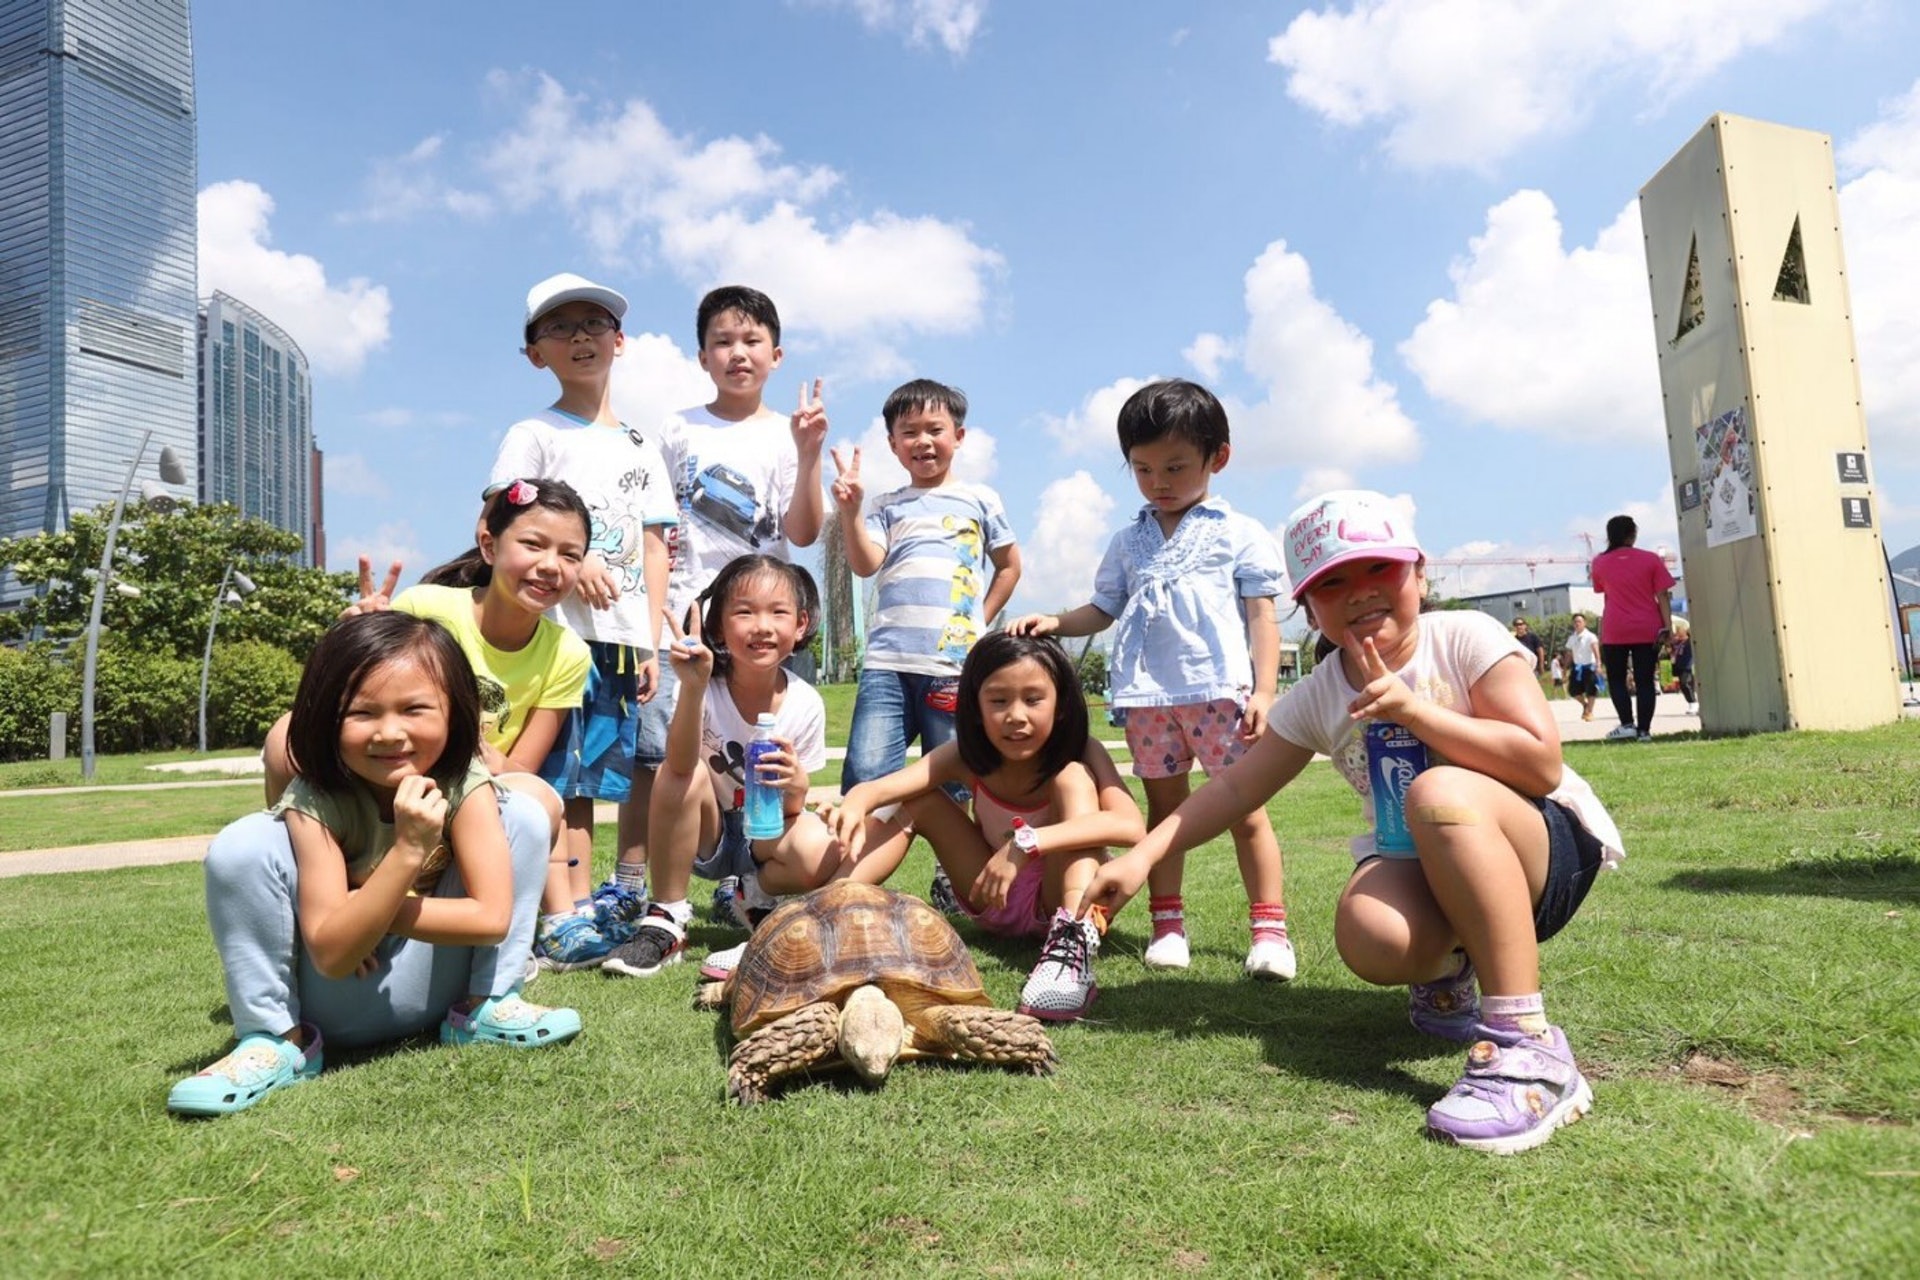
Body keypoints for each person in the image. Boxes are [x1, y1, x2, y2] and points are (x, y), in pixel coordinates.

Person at [1079, 490, 1623, 1154]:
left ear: (1418, 574)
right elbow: (1234, 788)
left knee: (1437, 791)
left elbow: (1539, 766)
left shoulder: (1466, 638)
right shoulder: (1320, 694)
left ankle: (1528, 1046)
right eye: (1332, 584)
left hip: (1546, 853)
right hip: (1438, 867)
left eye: (1378, 570)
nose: (1360, 593)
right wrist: (1139, 858)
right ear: (1309, 608)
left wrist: (1415, 713)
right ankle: (1450, 973)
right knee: (1370, 934)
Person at [169, 613, 581, 1117]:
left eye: (415, 709)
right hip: (339, 996)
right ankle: (273, 1039)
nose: (390, 733)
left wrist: (364, 903)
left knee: (522, 813)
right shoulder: (317, 798)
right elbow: (335, 954)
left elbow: (492, 919)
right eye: (362, 713)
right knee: (244, 842)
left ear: (455, 712)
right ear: (324, 716)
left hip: (439, 987)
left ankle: (489, 1004)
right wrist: (408, 850)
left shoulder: (461, 782)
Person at [1008, 379, 1293, 980]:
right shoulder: (1127, 541)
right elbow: (1103, 609)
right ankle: (1168, 925)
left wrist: (1264, 690)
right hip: (1147, 700)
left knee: (1247, 812)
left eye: (1174, 466)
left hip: (1219, 693)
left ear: (1219, 458)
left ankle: (1270, 930)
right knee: (1164, 815)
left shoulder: (1239, 533)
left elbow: (1261, 616)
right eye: (1141, 469)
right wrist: (1055, 621)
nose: (1158, 481)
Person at [263, 481, 595, 968]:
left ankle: (510, 951)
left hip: (470, 784)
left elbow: (522, 765)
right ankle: (313, 890)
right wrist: (353, 630)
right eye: (533, 544)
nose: (551, 565)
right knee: (281, 738)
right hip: (387, 772)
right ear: (489, 544)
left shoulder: (569, 652)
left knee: (541, 800)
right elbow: (364, 692)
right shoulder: (428, 605)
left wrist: (470, 745)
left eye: (571, 554)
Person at [489, 272, 677, 961]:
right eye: (559, 329)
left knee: (599, 777)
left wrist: (651, 639)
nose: (579, 338)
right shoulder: (532, 433)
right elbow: (503, 517)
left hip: (623, 641)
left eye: (593, 324)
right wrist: (574, 562)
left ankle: (585, 907)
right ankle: (560, 918)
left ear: (619, 341)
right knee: (558, 782)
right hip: (558, 637)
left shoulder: (639, 444)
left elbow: (656, 545)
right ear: (535, 353)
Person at [826, 632, 1147, 1021]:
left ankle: (1072, 947)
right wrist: (857, 802)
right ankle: (826, 910)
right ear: (975, 708)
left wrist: (1025, 844)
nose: (1016, 716)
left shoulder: (1083, 749)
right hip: (990, 894)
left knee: (1073, 779)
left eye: (1033, 700)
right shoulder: (966, 756)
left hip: (1062, 896)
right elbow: (881, 789)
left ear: (1060, 705)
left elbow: (1130, 825)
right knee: (918, 800)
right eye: (998, 701)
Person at [640, 285, 827, 928]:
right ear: (702, 356)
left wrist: (808, 457)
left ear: (777, 355)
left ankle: (750, 885)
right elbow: (660, 536)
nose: (737, 353)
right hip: (691, 625)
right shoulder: (677, 429)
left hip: (765, 623)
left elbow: (801, 534)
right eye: (722, 341)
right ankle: (647, 892)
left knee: (766, 756)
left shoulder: (787, 433)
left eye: (752, 341)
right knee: (669, 760)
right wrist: (650, 631)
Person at [831, 378, 1021, 914]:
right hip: (888, 665)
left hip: (953, 670)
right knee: (867, 774)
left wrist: (979, 625)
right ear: (893, 444)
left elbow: (1009, 565)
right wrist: (850, 511)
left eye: (935, 430)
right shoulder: (888, 505)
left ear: (958, 436)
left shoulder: (980, 498)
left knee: (960, 777)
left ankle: (952, 878)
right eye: (908, 432)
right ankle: (854, 883)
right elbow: (865, 564)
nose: (923, 441)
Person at [601, 557, 838, 977]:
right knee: (685, 768)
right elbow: (676, 766)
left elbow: (793, 810)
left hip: (762, 836)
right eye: (744, 612)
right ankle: (667, 917)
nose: (762, 626)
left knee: (819, 842)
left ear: (800, 625)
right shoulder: (705, 686)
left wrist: (798, 785)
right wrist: (692, 688)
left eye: (777, 612)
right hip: (705, 830)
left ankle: (756, 896)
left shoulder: (806, 704)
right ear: (718, 627)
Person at [1590, 515, 1675, 742]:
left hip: (1615, 627)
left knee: (1617, 679)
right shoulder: (1650, 560)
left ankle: (1627, 724)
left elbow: (1601, 590)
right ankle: (1644, 731)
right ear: (1633, 534)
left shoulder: (1599, 562)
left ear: (1609, 536)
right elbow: (1663, 595)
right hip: (1647, 626)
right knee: (1645, 679)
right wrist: (1669, 628)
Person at [1563, 614, 1601, 721]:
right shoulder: (1572, 638)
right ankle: (1585, 705)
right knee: (1573, 691)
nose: (1577, 624)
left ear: (1585, 623)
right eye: (1575, 622)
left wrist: (1598, 664)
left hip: (1590, 667)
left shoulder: (1590, 636)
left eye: (1579, 621)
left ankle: (1589, 712)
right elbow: (1569, 654)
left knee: (1591, 690)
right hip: (1577, 667)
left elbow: (1596, 650)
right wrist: (1565, 668)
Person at [1669, 616, 1696, 713]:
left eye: (1679, 630)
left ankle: (1693, 703)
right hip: (1678, 665)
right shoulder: (1676, 642)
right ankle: (1691, 703)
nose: (1677, 632)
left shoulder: (1688, 642)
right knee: (1683, 685)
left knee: (1685, 684)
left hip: (1686, 666)